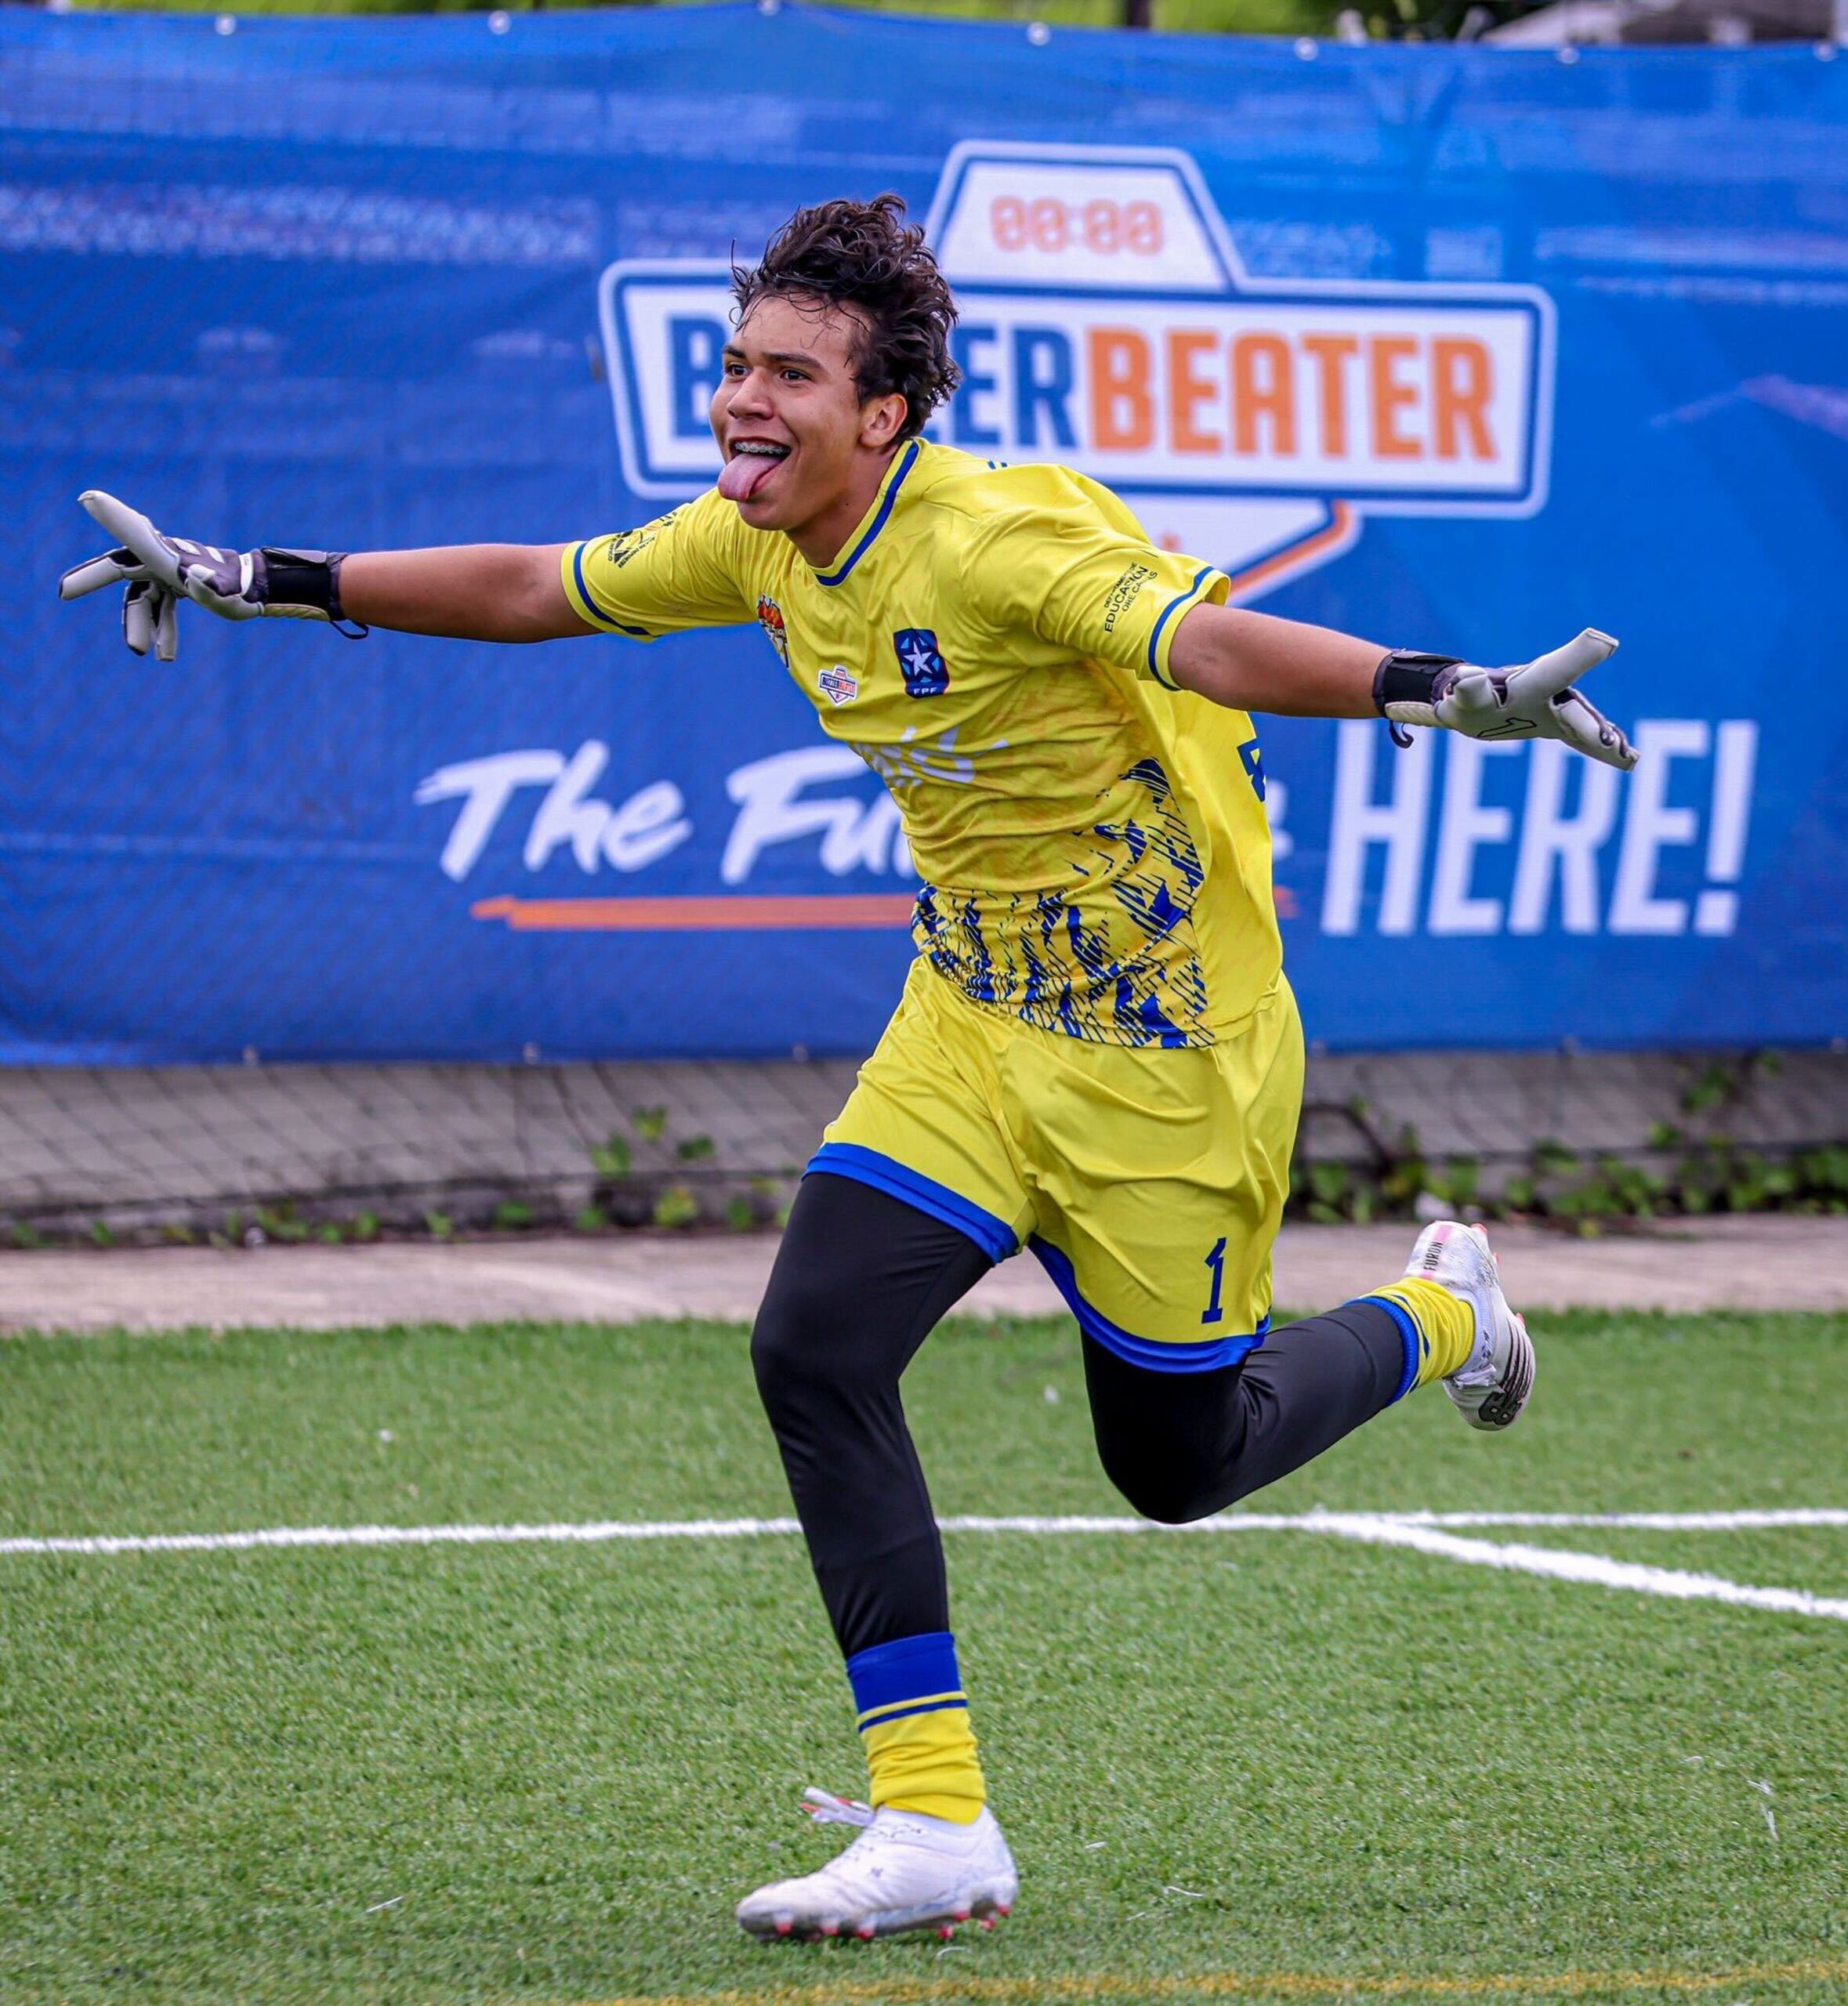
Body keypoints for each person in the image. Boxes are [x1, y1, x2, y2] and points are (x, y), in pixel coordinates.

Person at [60, 193, 1636, 1946]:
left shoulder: (990, 544)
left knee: (1179, 1465)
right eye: (736, 363)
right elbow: (532, 587)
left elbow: (1200, 640)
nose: (742, 398)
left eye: (786, 373)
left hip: (1159, 1062)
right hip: (966, 1024)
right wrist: (253, 576)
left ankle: (1437, 1315)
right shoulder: (756, 542)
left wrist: (1440, 684)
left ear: (882, 413)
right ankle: (934, 1815)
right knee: (811, 1342)